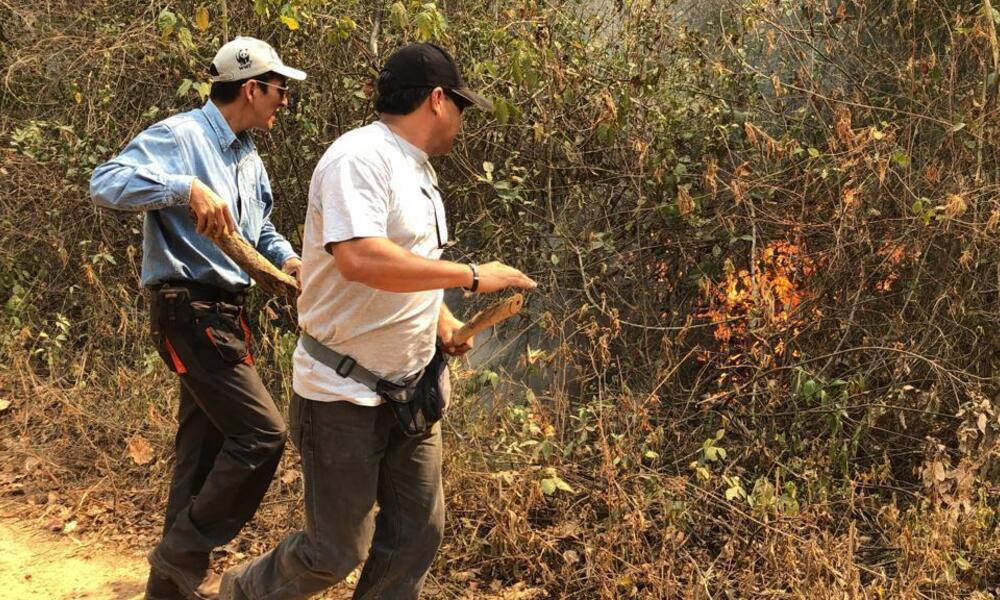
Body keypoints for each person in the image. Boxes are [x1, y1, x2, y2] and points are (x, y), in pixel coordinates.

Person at [218, 43, 537, 600]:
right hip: (343, 393)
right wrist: (471, 276)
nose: (462, 120)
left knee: (417, 533)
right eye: (461, 106)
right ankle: (243, 593)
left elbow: (409, 260)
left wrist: (439, 317)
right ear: (437, 100)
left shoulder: (418, 170)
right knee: (334, 551)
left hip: (412, 389)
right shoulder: (359, 158)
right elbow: (359, 258)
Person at [89, 37, 306, 600]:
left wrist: (288, 261)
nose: (285, 99)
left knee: (201, 451)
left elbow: (259, 231)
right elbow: (105, 182)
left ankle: (169, 587)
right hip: (187, 308)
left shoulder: (249, 155)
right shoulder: (180, 136)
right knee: (263, 435)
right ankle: (179, 553)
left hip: (229, 312)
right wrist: (182, 188)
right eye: (281, 89)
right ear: (251, 85)